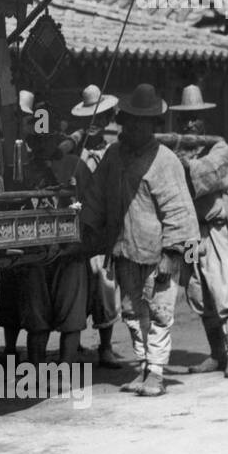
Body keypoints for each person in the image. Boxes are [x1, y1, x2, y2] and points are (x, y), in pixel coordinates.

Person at [79, 83, 200, 397]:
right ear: (124, 121)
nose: (136, 127)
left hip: (159, 251)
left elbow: (179, 211)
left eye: (144, 122)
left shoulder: (165, 161)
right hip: (124, 248)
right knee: (132, 312)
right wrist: (88, 229)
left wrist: (173, 255)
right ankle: (145, 365)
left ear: (153, 125)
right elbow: (96, 195)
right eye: (131, 121)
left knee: (160, 312)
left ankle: (157, 373)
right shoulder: (113, 155)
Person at [0, 91, 88, 365]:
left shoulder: (76, 166)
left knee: (71, 316)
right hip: (34, 253)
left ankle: (67, 369)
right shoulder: (19, 170)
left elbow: (94, 207)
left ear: (59, 138)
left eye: (48, 138)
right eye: (38, 138)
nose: (43, 144)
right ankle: (35, 370)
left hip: (70, 251)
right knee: (36, 317)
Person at [169, 85, 228, 378]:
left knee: (226, 287)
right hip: (192, 233)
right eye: (185, 119)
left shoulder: (220, 148)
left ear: (204, 119)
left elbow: (206, 174)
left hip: (217, 232)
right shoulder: (176, 151)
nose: (190, 124)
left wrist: (185, 164)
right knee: (199, 290)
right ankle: (217, 353)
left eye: (195, 118)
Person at [68, 84, 127, 368]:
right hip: (79, 231)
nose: (94, 125)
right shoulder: (72, 154)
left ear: (106, 121)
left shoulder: (114, 152)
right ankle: (73, 342)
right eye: (88, 120)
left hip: (105, 230)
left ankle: (105, 347)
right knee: (77, 288)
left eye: (99, 118)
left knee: (106, 287)